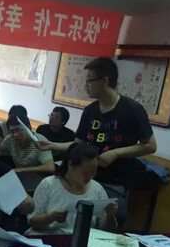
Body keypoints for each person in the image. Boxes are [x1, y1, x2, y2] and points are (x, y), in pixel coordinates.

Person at [37, 57, 157, 185]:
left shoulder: (132, 109)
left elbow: (150, 146)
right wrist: (51, 145)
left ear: (104, 81)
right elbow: (78, 144)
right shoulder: (90, 111)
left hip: (116, 181)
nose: (85, 85)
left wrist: (116, 153)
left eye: (89, 80)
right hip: (87, 177)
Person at [28, 142, 118, 234]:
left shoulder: (97, 189)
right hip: (49, 237)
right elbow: (32, 221)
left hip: (83, 238)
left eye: (93, 172)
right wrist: (50, 217)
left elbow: (107, 230)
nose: (89, 177)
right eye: (84, 173)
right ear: (70, 165)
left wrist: (110, 215)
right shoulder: (49, 184)